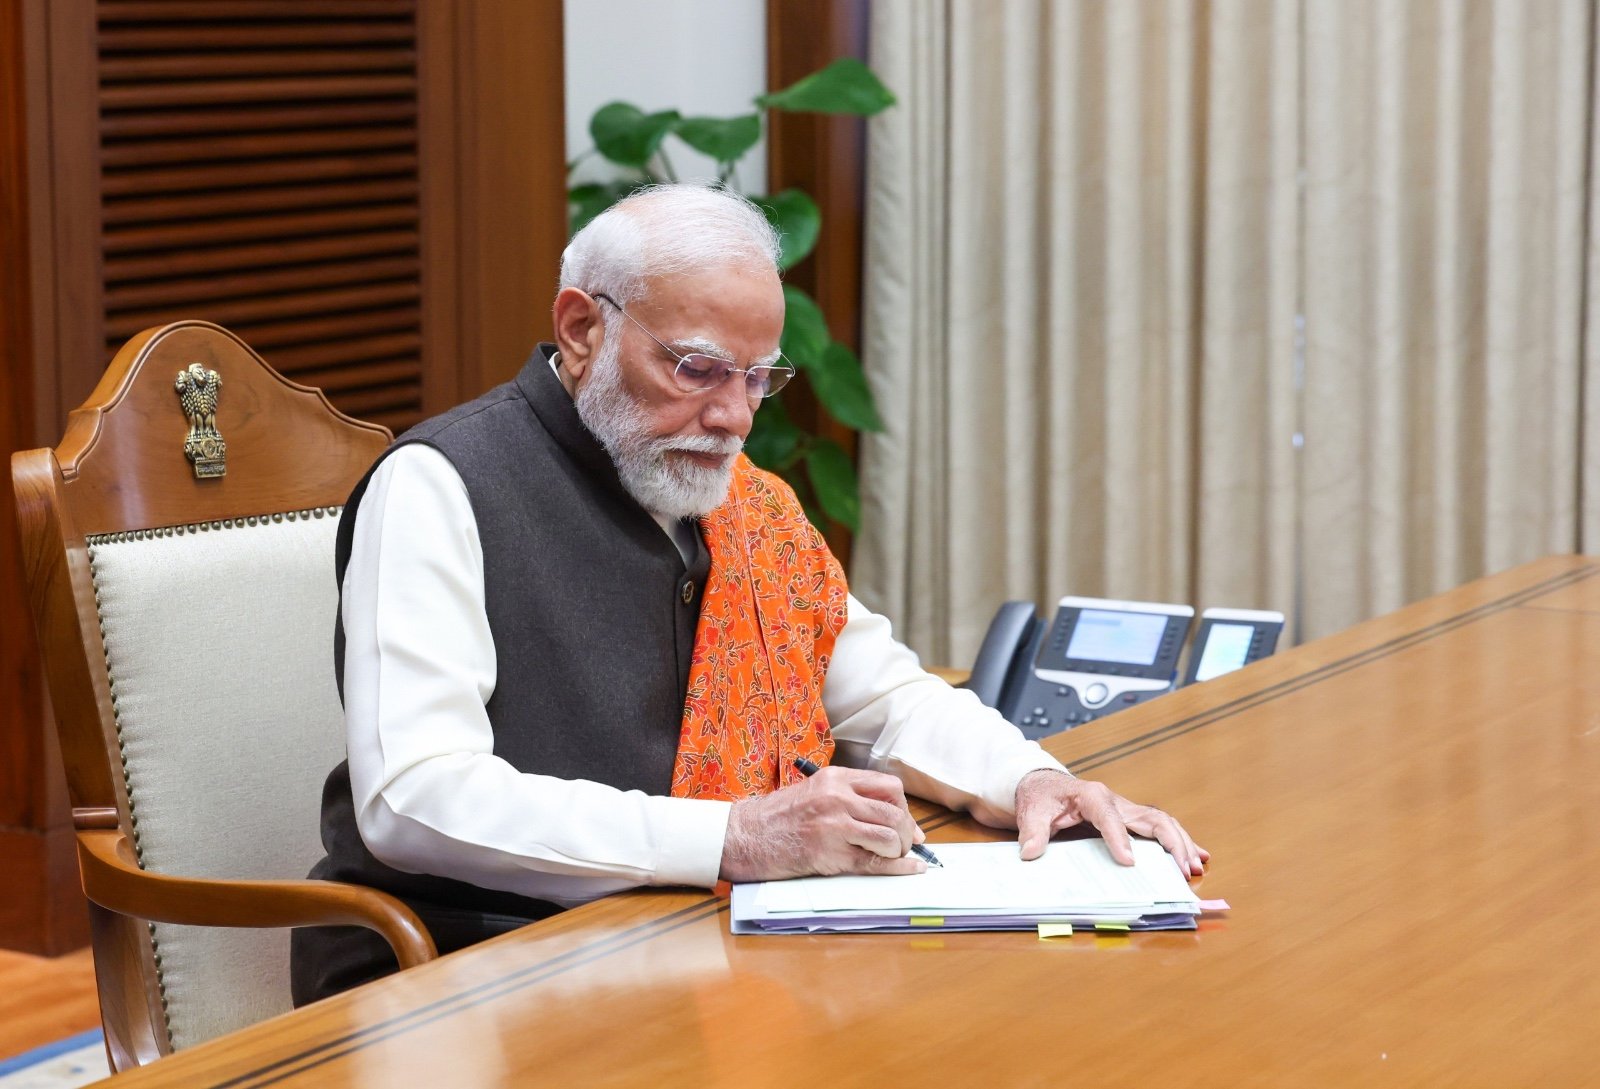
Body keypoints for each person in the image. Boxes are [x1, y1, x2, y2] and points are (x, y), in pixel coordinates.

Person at [289, 184, 1207, 1004]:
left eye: (757, 376)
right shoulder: (442, 486)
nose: (732, 416)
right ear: (581, 329)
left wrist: (1032, 779)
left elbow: (886, 696)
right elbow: (415, 797)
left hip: (698, 943)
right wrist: (734, 837)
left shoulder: (744, 503)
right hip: (472, 970)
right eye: (695, 369)